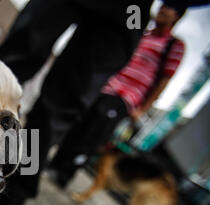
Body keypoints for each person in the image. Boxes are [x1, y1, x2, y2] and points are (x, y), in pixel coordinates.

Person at [0, 0, 183, 205]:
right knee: (20, 53)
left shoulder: (160, 35)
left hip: (129, 10)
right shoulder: (149, 32)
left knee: (61, 106)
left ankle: (15, 190)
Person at [48, 3, 186, 188]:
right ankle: (55, 164)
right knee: (79, 123)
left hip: (126, 96)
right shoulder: (143, 32)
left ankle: (65, 173)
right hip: (107, 85)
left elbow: (164, 79)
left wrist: (143, 109)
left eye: (170, 7)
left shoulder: (174, 45)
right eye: (162, 4)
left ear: (177, 16)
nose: (162, 9)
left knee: (93, 134)